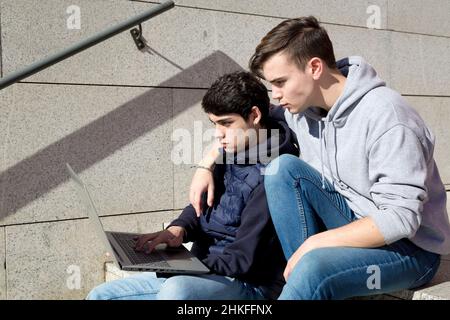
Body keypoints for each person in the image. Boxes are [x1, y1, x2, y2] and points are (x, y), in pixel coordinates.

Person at [189, 16, 450, 300]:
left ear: (314, 67)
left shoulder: (389, 117)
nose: (275, 96)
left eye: (280, 82)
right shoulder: (300, 111)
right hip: (348, 222)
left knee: (313, 265)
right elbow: (246, 127)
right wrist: (207, 163)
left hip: (410, 250)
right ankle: (304, 281)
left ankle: (306, 278)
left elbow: (401, 219)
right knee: (282, 169)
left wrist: (315, 243)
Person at [86, 71, 299, 300]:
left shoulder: (275, 174)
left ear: (255, 115)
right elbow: (203, 207)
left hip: (249, 284)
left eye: (226, 123)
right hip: (205, 271)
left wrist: (180, 264)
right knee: (101, 295)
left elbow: (242, 259)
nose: (219, 135)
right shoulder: (230, 153)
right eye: (214, 124)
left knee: (177, 291)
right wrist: (179, 229)